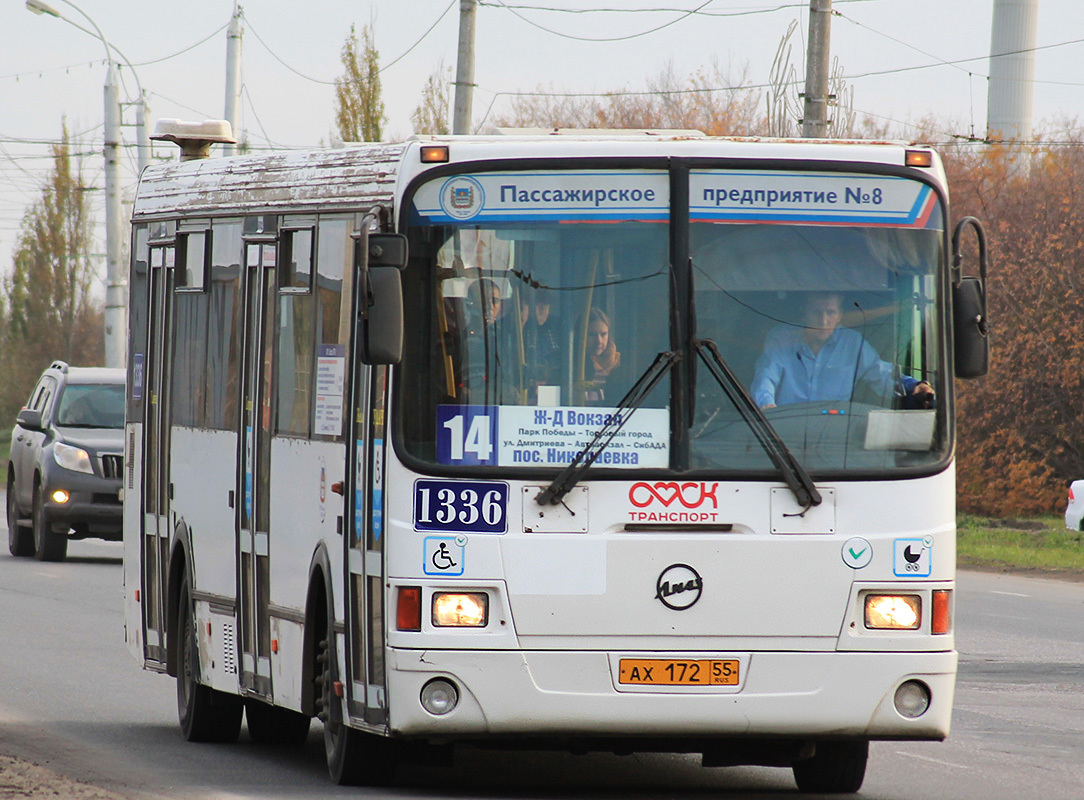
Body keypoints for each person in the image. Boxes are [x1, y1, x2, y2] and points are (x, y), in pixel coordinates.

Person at [750, 292, 934, 409]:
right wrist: (767, 406)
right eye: (816, 313)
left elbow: (881, 373)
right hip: (784, 433)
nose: (823, 321)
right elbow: (766, 375)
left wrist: (914, 386)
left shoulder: (852, 343)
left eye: (830, 313)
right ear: (804, 313)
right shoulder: (782, 338)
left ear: (839, 316)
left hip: (835, 438)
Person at [580, 307, 621, 404]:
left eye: (603, 334)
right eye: (592, 335)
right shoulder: (572, 367)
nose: (599, 341)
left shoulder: (620, 365)